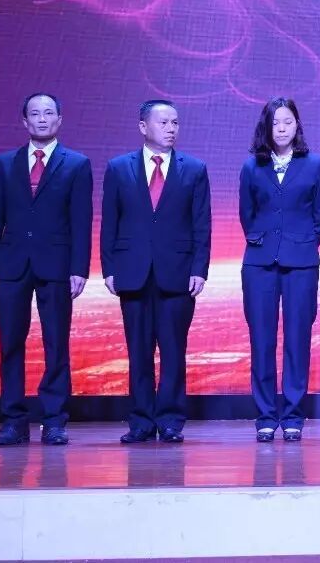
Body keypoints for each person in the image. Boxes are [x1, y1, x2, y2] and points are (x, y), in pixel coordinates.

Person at [0, 92, 92, 446]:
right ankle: (14, 421)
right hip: (11, 264)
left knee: (56, 344)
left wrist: (79, 268)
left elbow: (81, 221)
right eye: (35, 114)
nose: (42, 119)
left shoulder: (77, 164)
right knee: (10, 343)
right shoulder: (5, 163)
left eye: (48, 113)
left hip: (57, 265)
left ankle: (54, 420)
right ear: (24, 121)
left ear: (59, 120)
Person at [101, 100, 210, 444]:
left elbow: (201, 224)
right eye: (163, 122)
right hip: (133, 272)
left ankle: (171, 420)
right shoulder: (119, 168)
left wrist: (199, 269)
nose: (171, 128)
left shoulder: (194, 169)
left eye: (175, 123)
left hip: (178, 273)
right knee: (138, 351)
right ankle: (141, 421)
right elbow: (109, 222)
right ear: (143, 126)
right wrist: (109, 268)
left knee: (174, 351)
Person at [239, 98, 320, 442]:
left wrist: (300, 242)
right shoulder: (252, 166)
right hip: (259, 262)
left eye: (288, 122)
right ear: (266, 126)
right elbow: (247, 214)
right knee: (261, 340)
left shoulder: (315, 164)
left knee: (297, 340)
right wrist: (263, 240)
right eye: (275, 122)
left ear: (297, 125)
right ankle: (265, 415)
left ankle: (293, 415)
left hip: (301, 262)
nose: (281, 128)